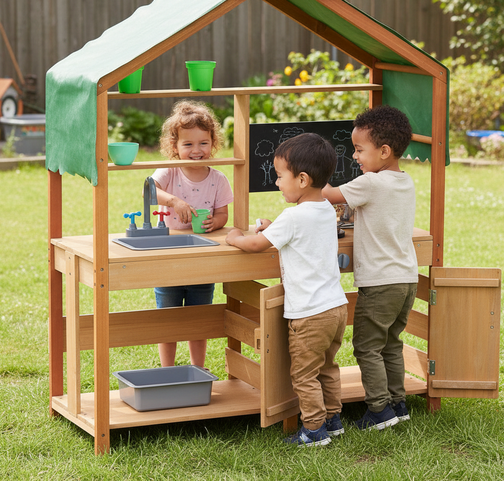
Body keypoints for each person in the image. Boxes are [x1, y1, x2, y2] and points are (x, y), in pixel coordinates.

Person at [226, 133, 348, 447]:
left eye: (280, 177)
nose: (277, 183)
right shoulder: (324, 209)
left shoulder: (293, 216)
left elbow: (254, 245)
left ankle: (314, 431)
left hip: (310, 314)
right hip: (335, 307)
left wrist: (234, 237)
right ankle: (333, 420)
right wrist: (275, 226)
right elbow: (293, 234)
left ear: (303, 179)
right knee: (328, 367)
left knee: (304, 375)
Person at [323, 105, 418, 430]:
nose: (354, 157)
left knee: (366, 346)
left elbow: (328, 195)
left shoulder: (371, 183)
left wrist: (303, 174)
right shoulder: (405, 182)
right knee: (391, 343)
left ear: (384, 151)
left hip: (380, 283)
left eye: (360, 150)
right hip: (406, 280)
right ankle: (397, 403)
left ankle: (379, 411)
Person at [151, 100, 233, 368]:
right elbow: (149, 190)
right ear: (174, 147)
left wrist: (215, 223)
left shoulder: (218, 179)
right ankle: (168, 369)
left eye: (203, 143)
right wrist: (174, 201)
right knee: (168, 317)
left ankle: (198, 367)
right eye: (188, 145)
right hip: (169, 256)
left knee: (199, 316)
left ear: (213, 143)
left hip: (202, 257)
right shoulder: (170, 172)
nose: (196, 150)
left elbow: (223, 213)